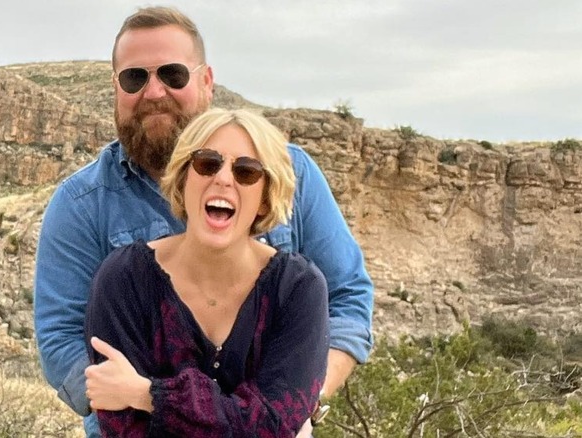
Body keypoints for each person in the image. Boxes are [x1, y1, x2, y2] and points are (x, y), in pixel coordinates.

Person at [34, 6, 374, 437]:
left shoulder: (293, 175)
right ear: (116, 89)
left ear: (207, 81)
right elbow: (62, 340)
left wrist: (298, 393)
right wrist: (125, 404)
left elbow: (347, 300)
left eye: (172, 74)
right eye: (135, 78)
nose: (154, 92)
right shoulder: (83, 206)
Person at [83, 108, 329, 437]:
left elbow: (274, 425)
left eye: (247, 171)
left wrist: (149, 395)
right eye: (207, 163)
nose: (224, 178)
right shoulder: (124, 281)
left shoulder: (297, 290)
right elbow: (124, 427)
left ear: (265, 200)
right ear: (183, 179)